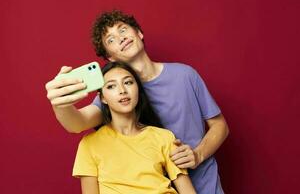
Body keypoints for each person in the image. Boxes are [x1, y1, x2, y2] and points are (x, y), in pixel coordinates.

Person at [45, 10, 229, 194]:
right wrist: (60, 103)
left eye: (123, 29)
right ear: (110, 57)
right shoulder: (118, 96)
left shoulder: (186, 75)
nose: (120, 38)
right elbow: (77, 123)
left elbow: (220, 126)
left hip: (206, 186)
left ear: (139, 33)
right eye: (110, 40)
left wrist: (198, 155)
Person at [73, 61, 196, 194]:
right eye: (111, 86)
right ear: (102, 98)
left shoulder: (164, 137)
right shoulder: (89, 144)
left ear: (138, 89)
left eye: (128, 82)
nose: (122, 90)